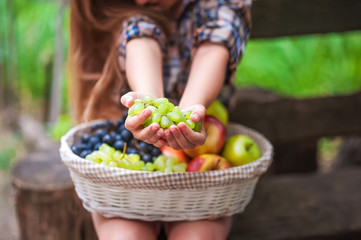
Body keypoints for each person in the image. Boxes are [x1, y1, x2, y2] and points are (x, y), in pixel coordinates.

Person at [68, 0, 252, 239]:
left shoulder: (219, 6)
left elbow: (213, 47)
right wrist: (148, 102)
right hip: (131, 163)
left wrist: (190, 113)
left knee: (198, 235)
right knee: (124, 235)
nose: (142, 2)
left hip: (200, 167)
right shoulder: (123, 12)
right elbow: (141, 38)